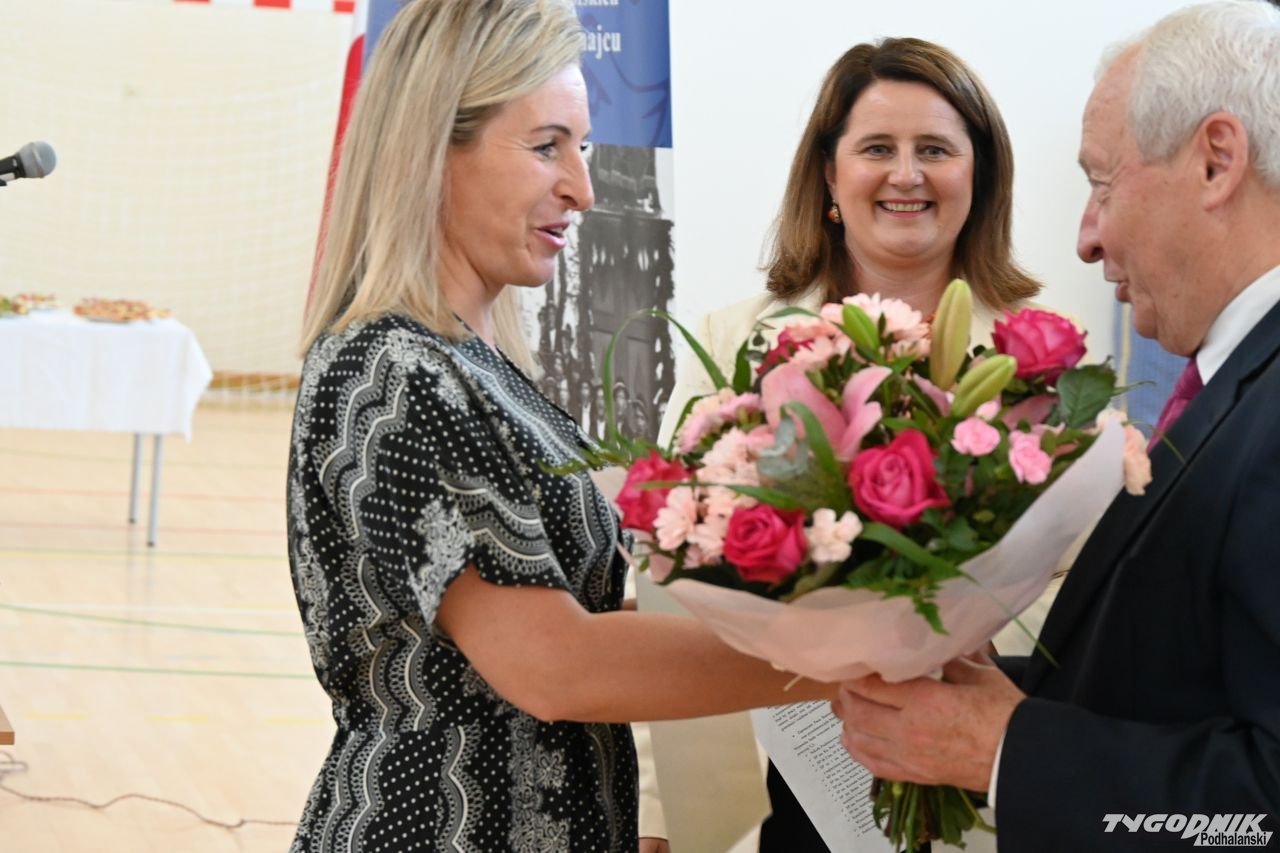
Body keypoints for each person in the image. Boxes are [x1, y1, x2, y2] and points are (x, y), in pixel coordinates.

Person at [286, 1, 835, 850]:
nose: (582, 186)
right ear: (433, 148)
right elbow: (555, 664)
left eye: (581, 146)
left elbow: (565, 630)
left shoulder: (472, 363)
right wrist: (843, 659)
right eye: (547, 146)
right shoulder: (400, 373)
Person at [833, 2, 1280, 850]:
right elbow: (1177, 681)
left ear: (1216, 161)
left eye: (1102, 184)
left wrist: (1005, 748)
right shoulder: (1232, 381)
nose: (1086, 237)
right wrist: (978, 703)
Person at [649, 37, 1059, 852]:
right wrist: (657, 817)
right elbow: (665, 576)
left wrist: (953, 636)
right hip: (779, 794)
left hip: (990, 790)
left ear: (978, 177)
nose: (906, 174)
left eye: (935, 149)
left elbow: (1088, 590)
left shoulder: (1043, 357)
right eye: (877, 148)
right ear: (830, 177)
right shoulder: (730, 344)